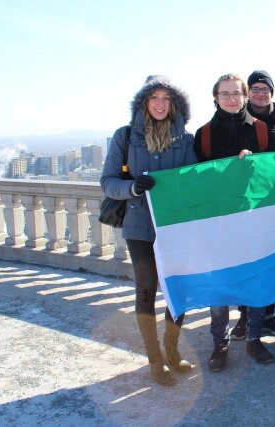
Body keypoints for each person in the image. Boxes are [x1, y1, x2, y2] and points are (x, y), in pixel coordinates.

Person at [100, 75, 197, 386]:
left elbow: (195, 180)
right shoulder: (125, 136)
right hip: (139, 226)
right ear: (143, 103)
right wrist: (133, 188)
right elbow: (108, 182)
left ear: (175, 104)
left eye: (166, 98)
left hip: (174, 228)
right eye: (154, 97)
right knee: (146, 290)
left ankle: (171, 350)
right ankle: (154, 359)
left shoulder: (186, 140)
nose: (160, 103)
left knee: (175, 291)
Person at [193, 73, 275, 371]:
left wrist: (257, 164)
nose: (231, 99)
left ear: (244, 96)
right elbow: (196, 181)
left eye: (236, 94)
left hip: (254, 220)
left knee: (256, 280)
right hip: (217, 223)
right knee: (220, 287)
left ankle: (254, 338)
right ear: (215, 97)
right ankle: (220, 343)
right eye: (224, 93)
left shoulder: (262, 131)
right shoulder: (202, 135)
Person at [229, 70, 275, 340]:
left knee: (272, 262)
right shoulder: (239, 120)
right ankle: (245, 315)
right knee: (247, 261)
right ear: (247, 92)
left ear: (272, 93)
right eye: (255, 89)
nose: (260, 93)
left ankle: (267, 314)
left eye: (265, 89)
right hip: (247, 203)